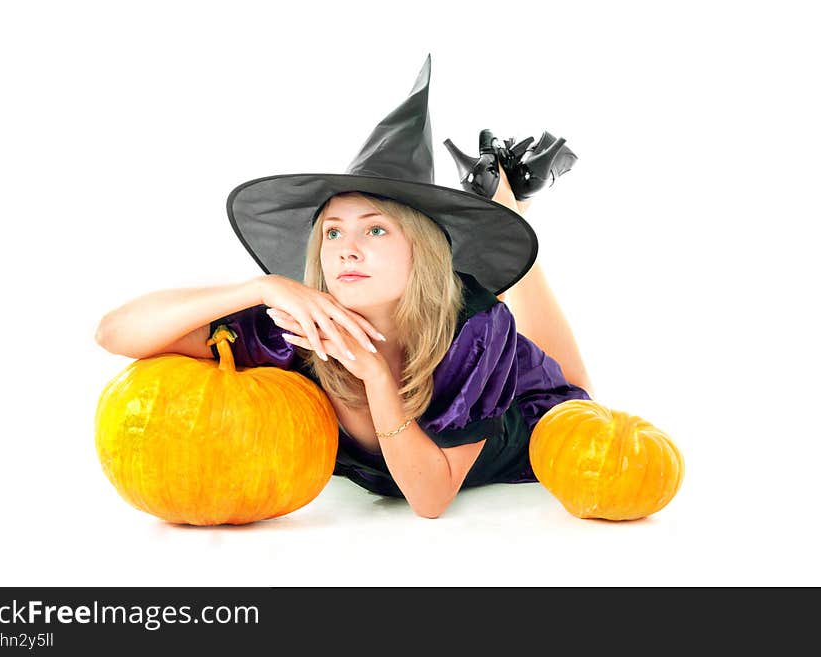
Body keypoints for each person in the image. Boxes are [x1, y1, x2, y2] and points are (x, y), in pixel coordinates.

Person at [95, 54, 594, 519]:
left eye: (375, 229)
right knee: (448, 307)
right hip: (431, 309)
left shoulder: (479, 328)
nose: (345, 249)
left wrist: (375, 375)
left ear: (420, 248)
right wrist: (259, 288)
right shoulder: (289, 330)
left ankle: (510, 208)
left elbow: (429, 499)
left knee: (579, 404)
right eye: (332, 230)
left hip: (513, 424)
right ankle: (505, 206)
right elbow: (115, 334)